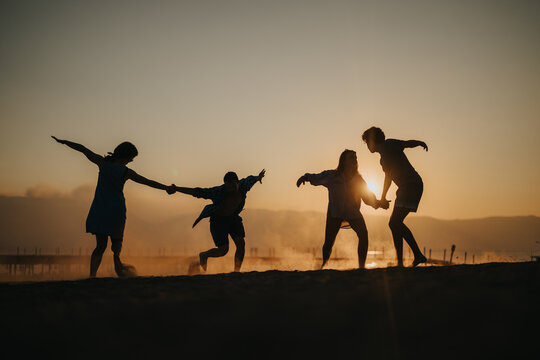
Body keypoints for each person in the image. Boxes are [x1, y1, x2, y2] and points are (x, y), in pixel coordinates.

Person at [51, 136, 175, 277]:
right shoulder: (113, 167)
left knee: (108, 245)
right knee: (107, 245)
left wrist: (165, 187)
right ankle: (97, 274)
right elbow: (83, 149)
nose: (131, 161)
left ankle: (108, 269)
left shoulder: (109, 165)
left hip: (108, 210)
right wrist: (65, 142)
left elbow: (146, 181)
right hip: (107, 209)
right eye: (131, 158)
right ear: (124, 155)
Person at [296, 150, 379, 269]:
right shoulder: (332, 176)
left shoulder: (358, 180)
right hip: (335, 212)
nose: (355, 160)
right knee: (329, 242)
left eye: (355, 158)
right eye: (351, 158)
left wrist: (379, 203)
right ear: (343, 161)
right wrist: (305, 177)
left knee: (363, 236)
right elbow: (317, 177)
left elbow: (368, 198)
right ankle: (324, 264)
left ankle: (361, 266)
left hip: (353, 213)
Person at [171, 169, 265, 272]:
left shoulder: (244, 185)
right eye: (228, 187)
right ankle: (204, 255)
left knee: (241, 243)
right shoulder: (219, 191)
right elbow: (198, 192)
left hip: (233, 218)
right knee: (223, 250)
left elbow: (252, 179)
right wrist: (176, 188)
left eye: (233, 186)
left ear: (238, 183)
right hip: (218, 221)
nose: (231, 189)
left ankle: (236, 272)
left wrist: (259, 177)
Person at [361, 127, 428, 267]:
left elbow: (406, 143)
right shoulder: (382, 159)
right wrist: (383, 197)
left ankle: (417, 255)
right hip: (404, 188)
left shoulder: (389, 144)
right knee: (394, 224)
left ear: (372, 141)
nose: (367, 146)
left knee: (394, 223)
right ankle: (401, 261)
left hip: (412, 185)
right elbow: (388, 177)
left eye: (367, 142)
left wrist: (420, 143)